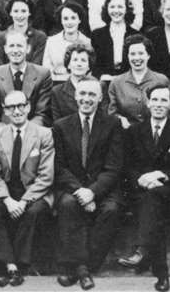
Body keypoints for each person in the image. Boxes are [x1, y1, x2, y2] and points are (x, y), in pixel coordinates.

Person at [0, 68, 55, 287]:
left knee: (33, 212)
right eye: (11, 107)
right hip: (8, 192)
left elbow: (46, 175)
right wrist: (7, 200)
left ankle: (22, 264)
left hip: (35, 192)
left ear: (28, 107)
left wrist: (24, 201)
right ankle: (10, 266)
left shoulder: (43, 134)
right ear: (4, 110)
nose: (17, 111)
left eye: (21, 106)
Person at [53, 78, 125, 289]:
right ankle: (83, 271)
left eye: (92, 95)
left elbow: (114, 167)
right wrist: (80, 191)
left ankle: (80, 266)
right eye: (82, 94)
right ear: (75, 96)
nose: (86, 99)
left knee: (111, 210)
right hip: (72, 186)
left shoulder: (113, 124)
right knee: (67, 205)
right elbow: (58, 167)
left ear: (101, 98)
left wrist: (92, 192)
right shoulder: (61, 126)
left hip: (103, 187)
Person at [127, 83, 170, 292]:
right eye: (154, 99)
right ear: (147, 102)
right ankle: (161, 275)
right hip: (141, 191)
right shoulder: (134, 131)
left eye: (164, 100)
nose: (158, 104)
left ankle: (142, 250)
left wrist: (162, 175)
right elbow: (126, 166)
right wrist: (141, 178)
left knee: (153, 202)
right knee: (153, 211)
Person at [0, 30, 54, 126]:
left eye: (20, 46)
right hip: (4, 131)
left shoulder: (42, 74)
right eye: (12, 46)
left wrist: (25, 132)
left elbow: (42, 114)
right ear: (5, 49)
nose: (16, 50)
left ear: (28, 48)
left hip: (33, 130)